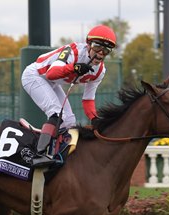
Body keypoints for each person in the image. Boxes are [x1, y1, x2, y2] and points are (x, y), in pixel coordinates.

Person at [21, 24, 117, 168]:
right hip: (34, 76)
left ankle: (61, 156)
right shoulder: (72, 51)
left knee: (70, 121)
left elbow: (88, 100)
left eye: (106, 50)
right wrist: (75, 67)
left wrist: (95, 119)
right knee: (55, 112)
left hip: (52, 83)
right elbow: (51, 73)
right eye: (98, 47)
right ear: (89, 44)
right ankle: (39, 155)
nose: (101, 53)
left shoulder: (99, 71)